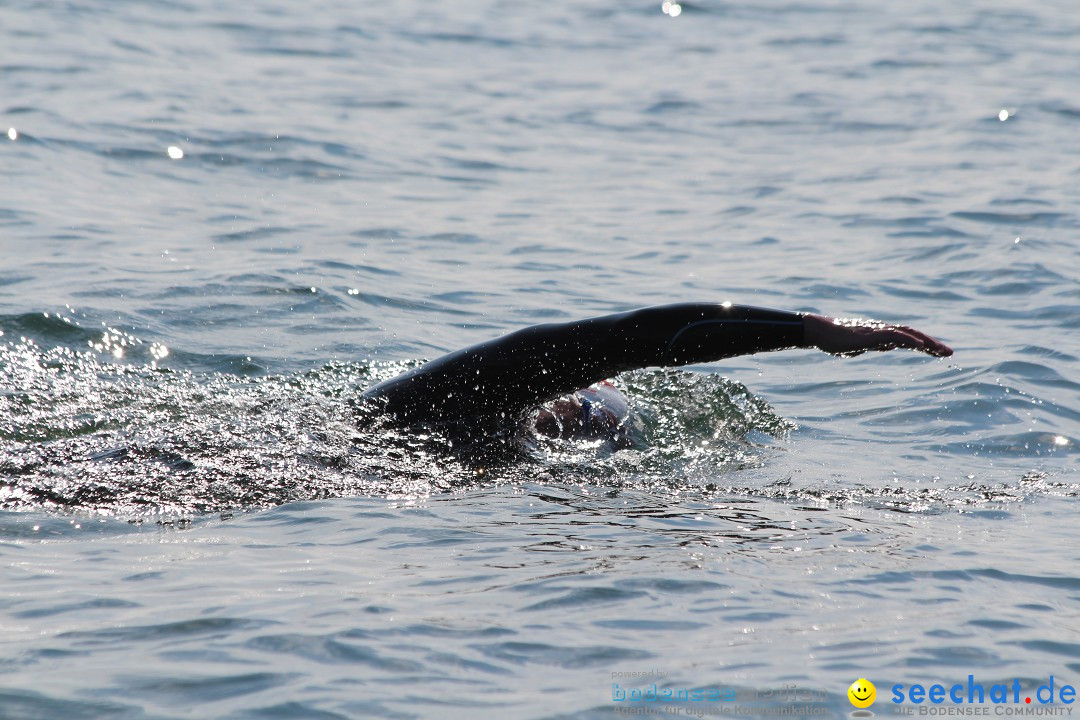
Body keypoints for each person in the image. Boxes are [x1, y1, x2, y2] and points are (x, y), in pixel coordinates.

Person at [360, 303, 952, 445]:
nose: (577, 409)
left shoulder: (420, 412)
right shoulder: (429, 402)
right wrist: (808, 330)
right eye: (587, 397)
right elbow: (629, 339)